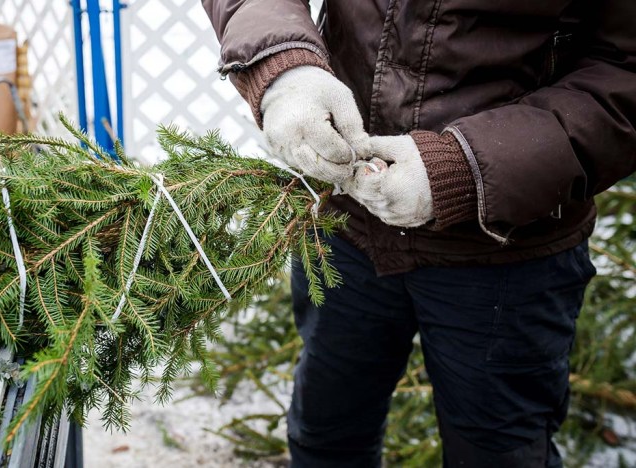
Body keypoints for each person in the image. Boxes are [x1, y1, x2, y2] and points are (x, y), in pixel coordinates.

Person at [202, 1, 636, 466]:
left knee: (497, 454)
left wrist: (464, 167)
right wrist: (285, 65)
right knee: (326, 432)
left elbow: (624, 73)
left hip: (508, 251)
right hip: (345, 228)